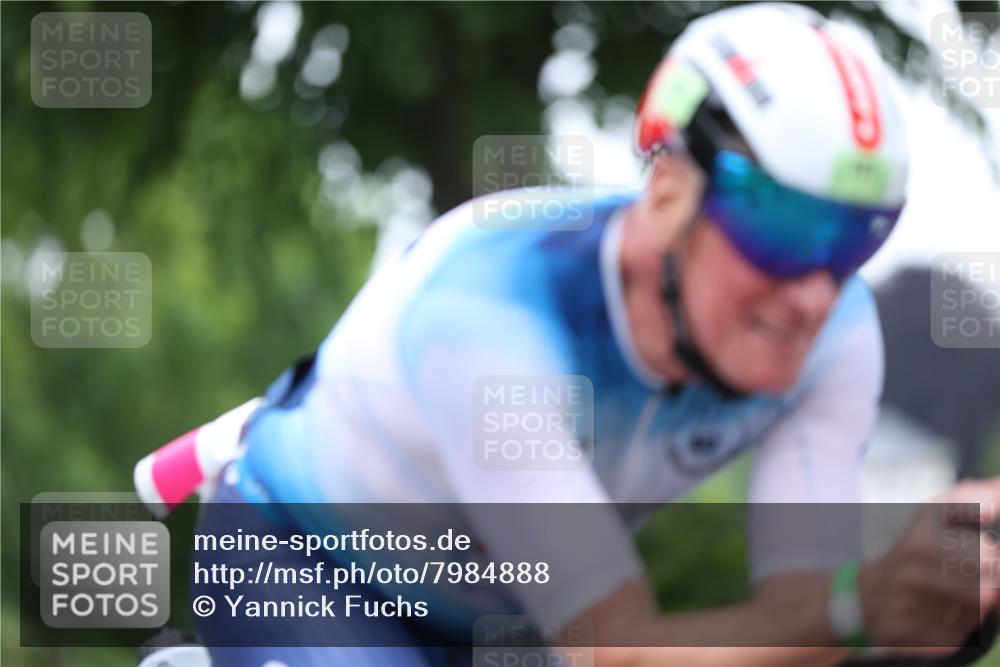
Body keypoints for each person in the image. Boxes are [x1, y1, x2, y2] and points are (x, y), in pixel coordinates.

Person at [155, 4, 1000, 666]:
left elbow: (803, 621)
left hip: (505, 607)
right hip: (307, 555)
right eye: (781, 228)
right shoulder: (492, 315)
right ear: (668, 195)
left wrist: (933, 597)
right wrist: (858, 604)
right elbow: (619, 649)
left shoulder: (838, 330)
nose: (814, 290)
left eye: (855, 239)